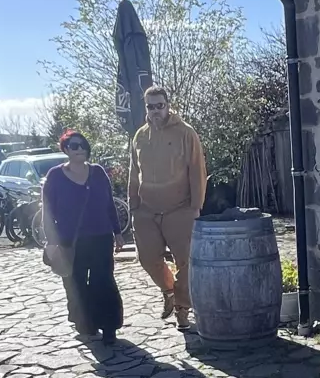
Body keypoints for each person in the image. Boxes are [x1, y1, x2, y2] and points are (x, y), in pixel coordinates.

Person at [125, 84, 207, 330]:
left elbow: (197, 170)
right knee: (147, 259)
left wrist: (196, 207)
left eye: (160, 105)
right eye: (151, 107)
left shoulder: (185, 132)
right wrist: (133, 205)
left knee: (186, 262)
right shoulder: (139, 136)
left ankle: (182, 308)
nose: (156, 111)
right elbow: (133, 172)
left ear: (168, 105)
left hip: (180, 209)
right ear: (146, 108)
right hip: (147, 211)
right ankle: (168, 290)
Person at [41, 129, 124, 345]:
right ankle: (86, 325)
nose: (80, 149)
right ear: (66, 149)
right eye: (75, 146)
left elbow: (109, 204)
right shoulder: (55, 176)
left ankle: (109, 327)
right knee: (75, 285)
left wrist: (118, 233)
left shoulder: (98, 172)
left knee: (103, 282)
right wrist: (51, 241)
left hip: (101, 237)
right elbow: (47, 211)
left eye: (83, 145)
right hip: (70, 241)